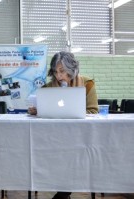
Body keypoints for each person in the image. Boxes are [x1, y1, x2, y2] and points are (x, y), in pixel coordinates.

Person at [28, 51, 98, 199]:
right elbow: (45, 113)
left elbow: (93, 111)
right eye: (55, 72)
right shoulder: (47, 89)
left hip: (80, 137)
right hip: (55, 138)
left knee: (73, 156)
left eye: (62, 71)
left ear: (72, 68)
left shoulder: (88, 84)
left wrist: (74, 111)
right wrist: (37, 110)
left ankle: (63, 193)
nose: (58, 76)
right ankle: (64, 193)